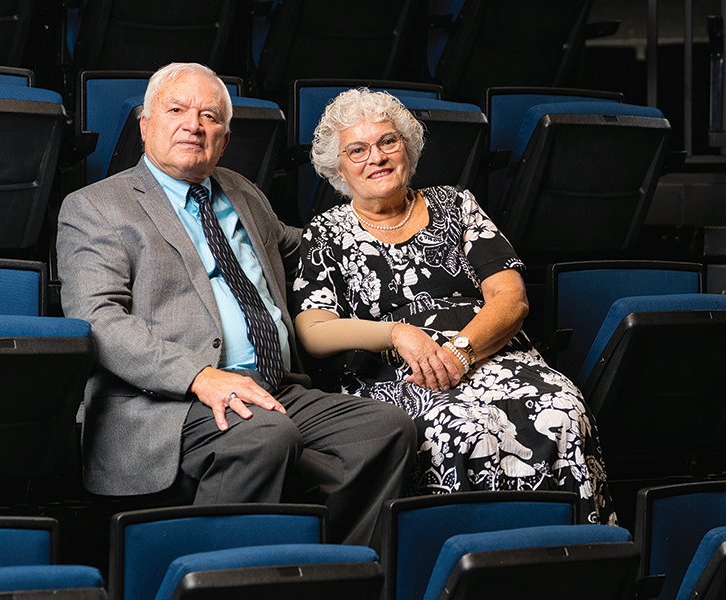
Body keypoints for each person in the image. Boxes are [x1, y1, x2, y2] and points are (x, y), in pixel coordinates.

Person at [57, 63, 415, 546]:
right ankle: (221, 577)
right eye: (177, 109)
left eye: (210, 116)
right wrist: (200, 376)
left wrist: (395, 219)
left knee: (386, 428)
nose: (193, 124)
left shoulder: (241, 191)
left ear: (224, 139)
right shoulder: (96, 207)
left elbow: (310, 246)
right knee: (264, 435)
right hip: (167, 401)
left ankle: (326, 573)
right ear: (145, 124)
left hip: (275, 387)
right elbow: (97, 320)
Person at [292, 88, 612, 523]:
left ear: (408, 148)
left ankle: (568, 556)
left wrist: (462, 350)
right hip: (400, 375)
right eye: (357, 149)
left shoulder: (456, 205)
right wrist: (396, 333)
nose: (377, 157)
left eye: (388, 141)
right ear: (339, 168)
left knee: (563, 408)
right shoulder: (326, 232)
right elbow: (313, 329)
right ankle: (464, 566)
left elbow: (510, 298)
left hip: (493, 353)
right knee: (461, 427)